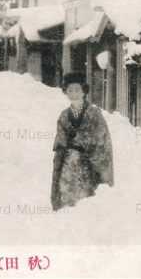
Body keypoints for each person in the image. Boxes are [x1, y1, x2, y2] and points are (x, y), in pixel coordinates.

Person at [51, 72, 114, 211]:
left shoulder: (94, 114)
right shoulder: (63, 116)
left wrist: (82, 145)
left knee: (86, 208)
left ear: (84, 91)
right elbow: (60, 144)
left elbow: (101, 141)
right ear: (65, 92)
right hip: (67, 171)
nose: (74, 93)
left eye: (77, 90)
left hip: (88, 168)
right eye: (70, 90)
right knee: (67, 207)